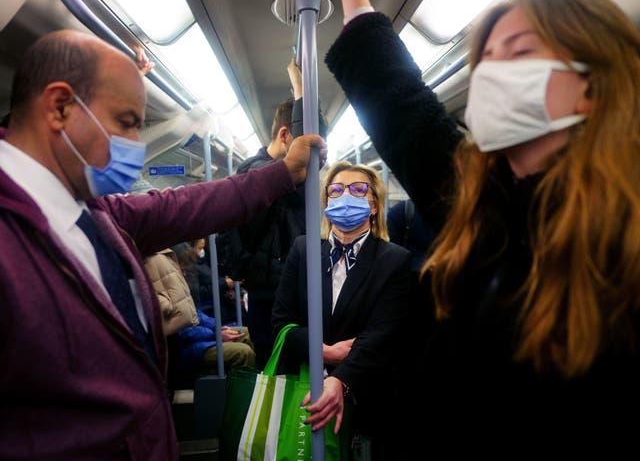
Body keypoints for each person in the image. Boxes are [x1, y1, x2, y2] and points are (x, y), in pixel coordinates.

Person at [327, 0, 640, 450]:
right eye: (486, 63)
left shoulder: (624, 243)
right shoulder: (486, 209)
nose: (492, 78)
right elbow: (402, 108)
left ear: (590, 84)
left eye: (518, 54)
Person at [0, 29, 325, 460]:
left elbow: (183, 207)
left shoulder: (92, 211)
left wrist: (283, 172)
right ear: (60, 107)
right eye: (127, 123)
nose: (135, 145)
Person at [272, 161, 411, 458]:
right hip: (306, 384)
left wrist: (340, 379)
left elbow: (383, 334)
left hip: (367, 391)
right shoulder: (303, 250)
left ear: (374, 205)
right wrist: (323, 351)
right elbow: (281, 322)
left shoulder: (395, 260)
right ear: (325, 203)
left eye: (358, 189)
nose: (345, 196)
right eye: (336, 190)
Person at [221, 57, 328, 369]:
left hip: (271, 290)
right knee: (279, 373)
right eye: (306, 144)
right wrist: (300, 89)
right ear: (285, 136)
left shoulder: (256, 174)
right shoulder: (262, 175)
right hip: (272, 296)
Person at [178, 309, 255, 374]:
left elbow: (196, 314)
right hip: (192, 346)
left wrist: (216, 327)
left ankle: (258, 383)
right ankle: (243, 389)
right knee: (244, 352)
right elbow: (182, 331)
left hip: (207, 336)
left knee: (248, 333)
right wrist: (215, 335)